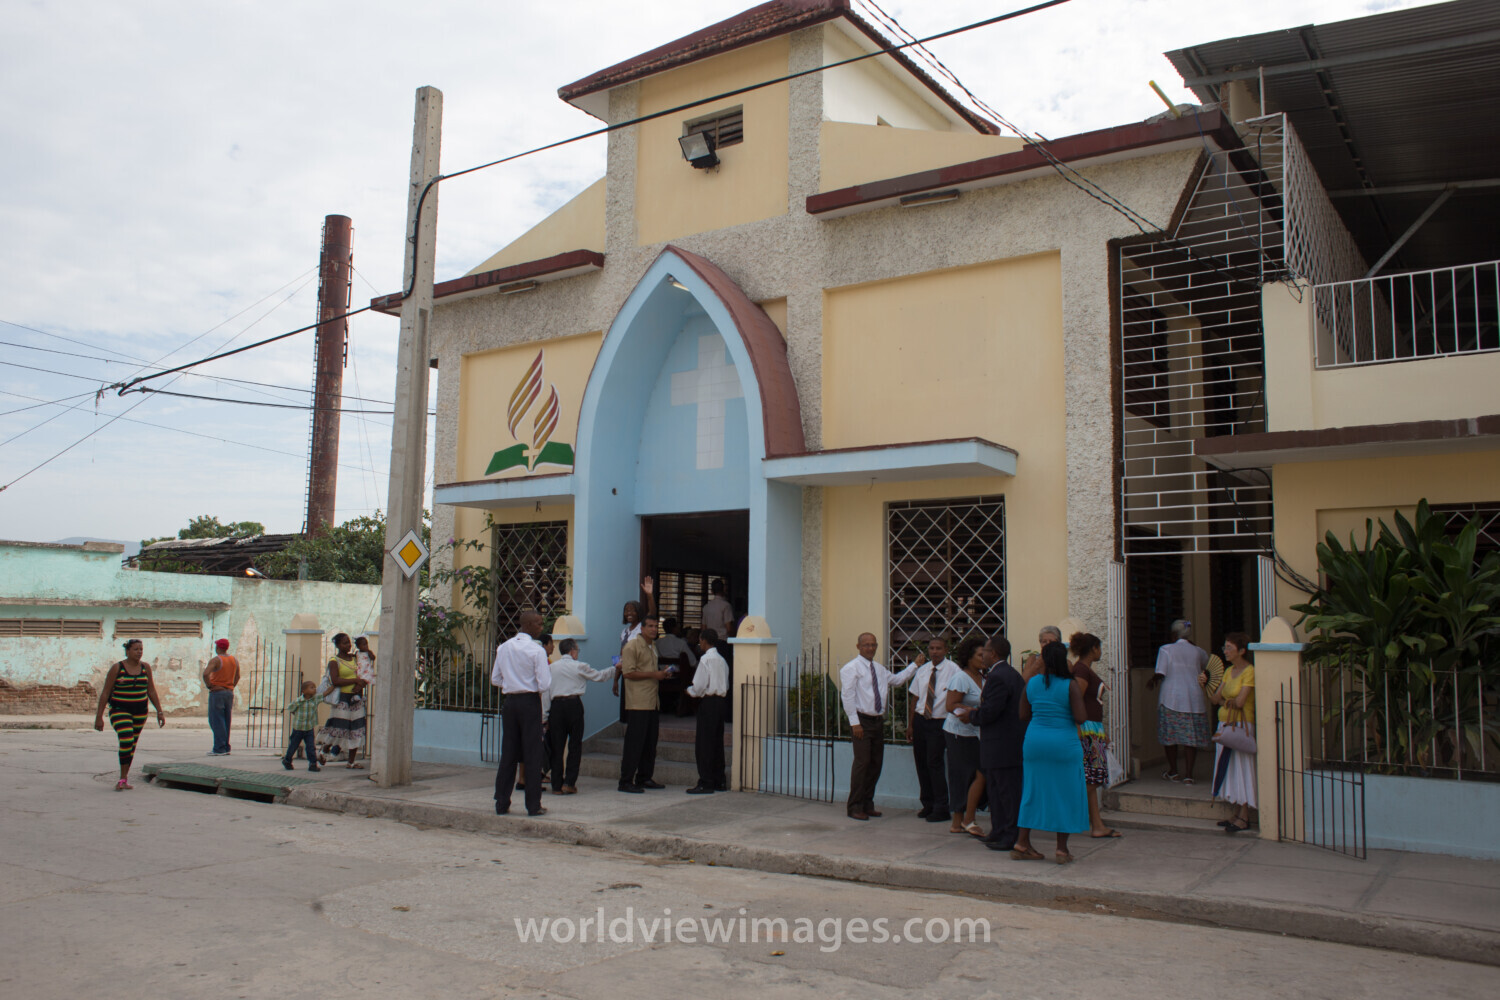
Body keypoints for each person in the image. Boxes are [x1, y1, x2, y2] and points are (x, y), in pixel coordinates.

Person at [1012, 643, 1089, 864]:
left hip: (1035, 741)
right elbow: (1081, 717)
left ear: (1043, 660)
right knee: (1064, 793)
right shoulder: (1069, 684)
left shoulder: (1032, 683)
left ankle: (1022, 842)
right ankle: (1062, 849)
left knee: (1032, 791)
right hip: (1063, 743)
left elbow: (1023, 714)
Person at [839, 632, 917, 821]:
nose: (870, 648)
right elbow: (847, 696)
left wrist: (915, 665)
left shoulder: (880, 669)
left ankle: (867, 803)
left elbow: (897, 680)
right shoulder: (851, 668)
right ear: (858, 646)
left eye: (873, 645)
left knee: (875, 764)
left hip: (877, 721)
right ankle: (855, 806)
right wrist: (854, 722)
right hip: (861, 720)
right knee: (862, 763)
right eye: (866, 645)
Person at [492, 610, 552, 816]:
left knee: (508, 752)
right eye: (538, 623)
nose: (541, 627)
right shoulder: (536, 651)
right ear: (527, 625)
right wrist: (528, 685)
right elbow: (544, 683)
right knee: (532, 753)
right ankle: (533, 805)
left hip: (510, 702)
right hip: (529, 702)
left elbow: (495, 679)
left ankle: (501, 802)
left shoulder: (504, 647)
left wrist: (512, 683)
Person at [972, 634, 1025, 851]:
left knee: (1006, 792)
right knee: (995, 790)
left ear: (993, 653)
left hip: (1003, 746)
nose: (982, 654)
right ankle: (998, 830)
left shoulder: (999, 677)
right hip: (1000, 746)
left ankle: (1009, 834)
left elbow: (991, 710)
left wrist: (972, 716)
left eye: (984, 650)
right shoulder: (1007, 674)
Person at [1204, 632, 1257, 834]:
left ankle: (1244, 816)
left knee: (1241, 768)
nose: (1225, 651)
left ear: (1241, 651)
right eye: (1225, 648)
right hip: (1226, 724)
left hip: (1240, 726)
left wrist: (1225, 700)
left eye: (1229, 648)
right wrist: (1207, 685)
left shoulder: (1248, 671)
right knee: (1228, 767)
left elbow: (1241, 701)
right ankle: (1236, 813)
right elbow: (1215, 698)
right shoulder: (1228, 672)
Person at [93, 639, 164, 790]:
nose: (139, 652)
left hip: (140, 712)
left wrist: (160, 711)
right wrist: (99, 717)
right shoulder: (117, 668)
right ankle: (121, 779)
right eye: (135, 649)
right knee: (126, 739)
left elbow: (151, 690)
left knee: (131, 745)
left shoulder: (145, 668)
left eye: (141, 649)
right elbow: (106, 692)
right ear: (127, 651)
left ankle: (124, 778)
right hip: (119, 710)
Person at [1147, 619, 1211, 782]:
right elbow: (1205, 665)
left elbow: (1161, 672)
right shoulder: (1198, 651)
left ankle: (1173, 771)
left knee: (1170, 737)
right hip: (1193, 699)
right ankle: (1189, 774)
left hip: (1171, 699)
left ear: (1174, 634)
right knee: (1191, 739)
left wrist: (1152, 680)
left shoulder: (1166, 649)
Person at [546, 638, 613, 794]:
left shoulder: (551, 668)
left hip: (556, 707)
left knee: (557, 746)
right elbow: (600, 676)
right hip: (573, 705)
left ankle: (556, 785)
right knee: (575, 745)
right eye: (577, 650)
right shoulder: (579, 666)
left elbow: (545, 692)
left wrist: (544, 715)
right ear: (572, 651)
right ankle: (569, 782)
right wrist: (614, 669)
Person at [1070, 632, 1120, 838]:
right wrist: (1079, 729)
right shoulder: (1082, 671)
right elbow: (1075, 699)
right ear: (1093, 649)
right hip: (1087, 730)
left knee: (1093, 778)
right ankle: (1095, 823)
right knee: (1091, 778)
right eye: (1099, 647)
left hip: (1094, 730)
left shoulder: (1083, 670)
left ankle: (1096, 823)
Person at [942, 636, 988, 837]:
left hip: (975, 733)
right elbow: (950, 705)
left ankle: (964, 819)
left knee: (978, 774)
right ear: (969, 657)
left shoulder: (983, 677)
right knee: (966, 775)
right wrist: (969, 711)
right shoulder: (961, 678)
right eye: (980, 654)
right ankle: (962, 820)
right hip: (959, 734)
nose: (984, 658)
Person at [619, 615, 672, 792]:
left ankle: (644, 777)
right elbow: (628, 673)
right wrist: (653, 675)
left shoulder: (653, 647)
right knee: (634, 743)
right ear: (641, 628)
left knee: (650, 743)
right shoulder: (632, 646)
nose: (653, 629)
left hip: (652, 701)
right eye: (649, 626)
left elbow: (649, 670)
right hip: (638, 702)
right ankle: (626, 780)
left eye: (655, 626)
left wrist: (661, 673)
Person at [907, 636, 955, 823]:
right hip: (921, 720)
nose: (934, 651)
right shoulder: (923, 670)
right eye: (932, 648)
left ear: (945, 650)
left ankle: (941, 806)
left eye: (938, 648)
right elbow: (915, 698)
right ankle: (927, 803)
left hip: (938, 722)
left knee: (934, 763)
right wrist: (911, 725)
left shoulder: (953, 670)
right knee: (921, 763)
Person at [685, 628, 730, 794]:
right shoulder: (721, 660)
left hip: (709, 702)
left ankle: (706, 781)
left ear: (704, 640)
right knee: (717, 742)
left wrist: (690, 691)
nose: (699, 643)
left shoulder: (705, 660)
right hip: (721, 702)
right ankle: (719, 780)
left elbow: (699, 685)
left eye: (700, 640)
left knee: (704, 744)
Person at [316, 633, 367, 769]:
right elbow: (336, 680)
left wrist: (360, 684)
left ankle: (351, 762)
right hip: (342, 699)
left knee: (356, 729)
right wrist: (355, 680)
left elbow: (365, 673)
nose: (348, 645)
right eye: (344, 643)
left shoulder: (355, 658)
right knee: (338, 727)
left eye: (349, 642)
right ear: (338, 645)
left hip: (356, 698)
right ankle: (324, 750)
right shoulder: (334, 661)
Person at [201, 637, 238, 756]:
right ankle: (226, 746)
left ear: (218, 647)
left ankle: (219, 748)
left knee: (216, 720)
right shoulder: (234, 660)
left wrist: (210, 685)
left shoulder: (216, 660)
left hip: (217, 692)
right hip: (229, 692)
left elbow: (206, 673)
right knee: (226, 720)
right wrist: (231, 686)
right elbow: (238, 676)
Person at [282, 681, 323, 772]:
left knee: (311, 746)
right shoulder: (299, 701)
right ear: (304, 691)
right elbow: (291, 708)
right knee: (293, 745)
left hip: (309, 728)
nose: (314, 689)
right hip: (298, 728)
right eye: (311, 687)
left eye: (314, 687)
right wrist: (298, 717)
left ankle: (312, 764)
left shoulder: (315, 699)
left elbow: (325, 694)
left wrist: (333, 686)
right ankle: (287, 760)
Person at [701, 578, 735, 643]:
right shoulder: (726, 606)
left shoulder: (706, 607)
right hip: (722, 641)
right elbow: (729, 628)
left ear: (711, 591)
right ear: (724, 589)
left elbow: (703, 628)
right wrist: (734, 639)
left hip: (710, 642)